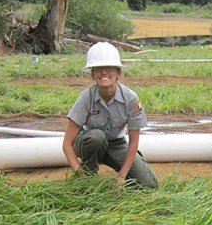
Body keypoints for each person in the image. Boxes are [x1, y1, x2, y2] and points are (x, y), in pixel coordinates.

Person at [62, 42, 158, 188]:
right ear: (92, 74)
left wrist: (121, 177)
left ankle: (121, 172)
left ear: (118, 73)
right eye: (98, 69)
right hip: (90, 143)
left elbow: (133, 143)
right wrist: (78, 174)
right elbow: (67, 144)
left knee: (149, 184)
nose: (104, 73)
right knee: (96, 137)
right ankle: (89, 175)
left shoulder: (130, 99)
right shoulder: (86, 97)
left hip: (116, 144)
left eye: (109, 68)